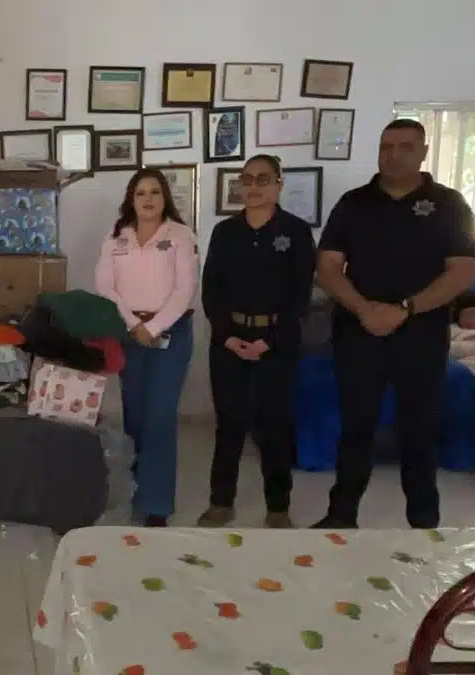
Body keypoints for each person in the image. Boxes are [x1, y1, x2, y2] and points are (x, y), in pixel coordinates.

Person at [313, 119, 475, 529]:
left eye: (405, 146)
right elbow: (328, 267)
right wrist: (363, 308)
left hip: (421, 334)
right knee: (356, 429)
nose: (393, 154)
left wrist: (405, 309)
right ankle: (340, 517)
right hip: (359, 331)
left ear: (423, 152)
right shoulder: (353, 203)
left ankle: (423, 524)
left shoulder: (451, 204)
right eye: (386, 146)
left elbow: (463, 270)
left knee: (419, 432)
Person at [198, 155, 316, 529]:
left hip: (276, 342)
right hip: (229, 340)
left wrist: (271, 340)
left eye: (262, 179)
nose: (253, 186)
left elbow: (300, 297)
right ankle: (221, 502)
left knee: (274, 425)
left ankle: (278, 507)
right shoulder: (225, 232)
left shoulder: (296, 231)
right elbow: (211, 290)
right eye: (247, 179)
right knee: (229, 423)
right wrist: (228, 336)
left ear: (279, 183)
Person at [94, 168, 199, 527]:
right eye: (141, 193)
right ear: (131, 199)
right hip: (129, 333)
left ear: (165, 197)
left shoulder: (180, 235)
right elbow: (105, 287)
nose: (148, 199)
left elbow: (185, 289)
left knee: (160, 416)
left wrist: (153, 327)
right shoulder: (116, 238)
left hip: (171, 333)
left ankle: (157, 505)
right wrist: (134, 325)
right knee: (135, 415)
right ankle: (135, 493)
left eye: (155, 192)